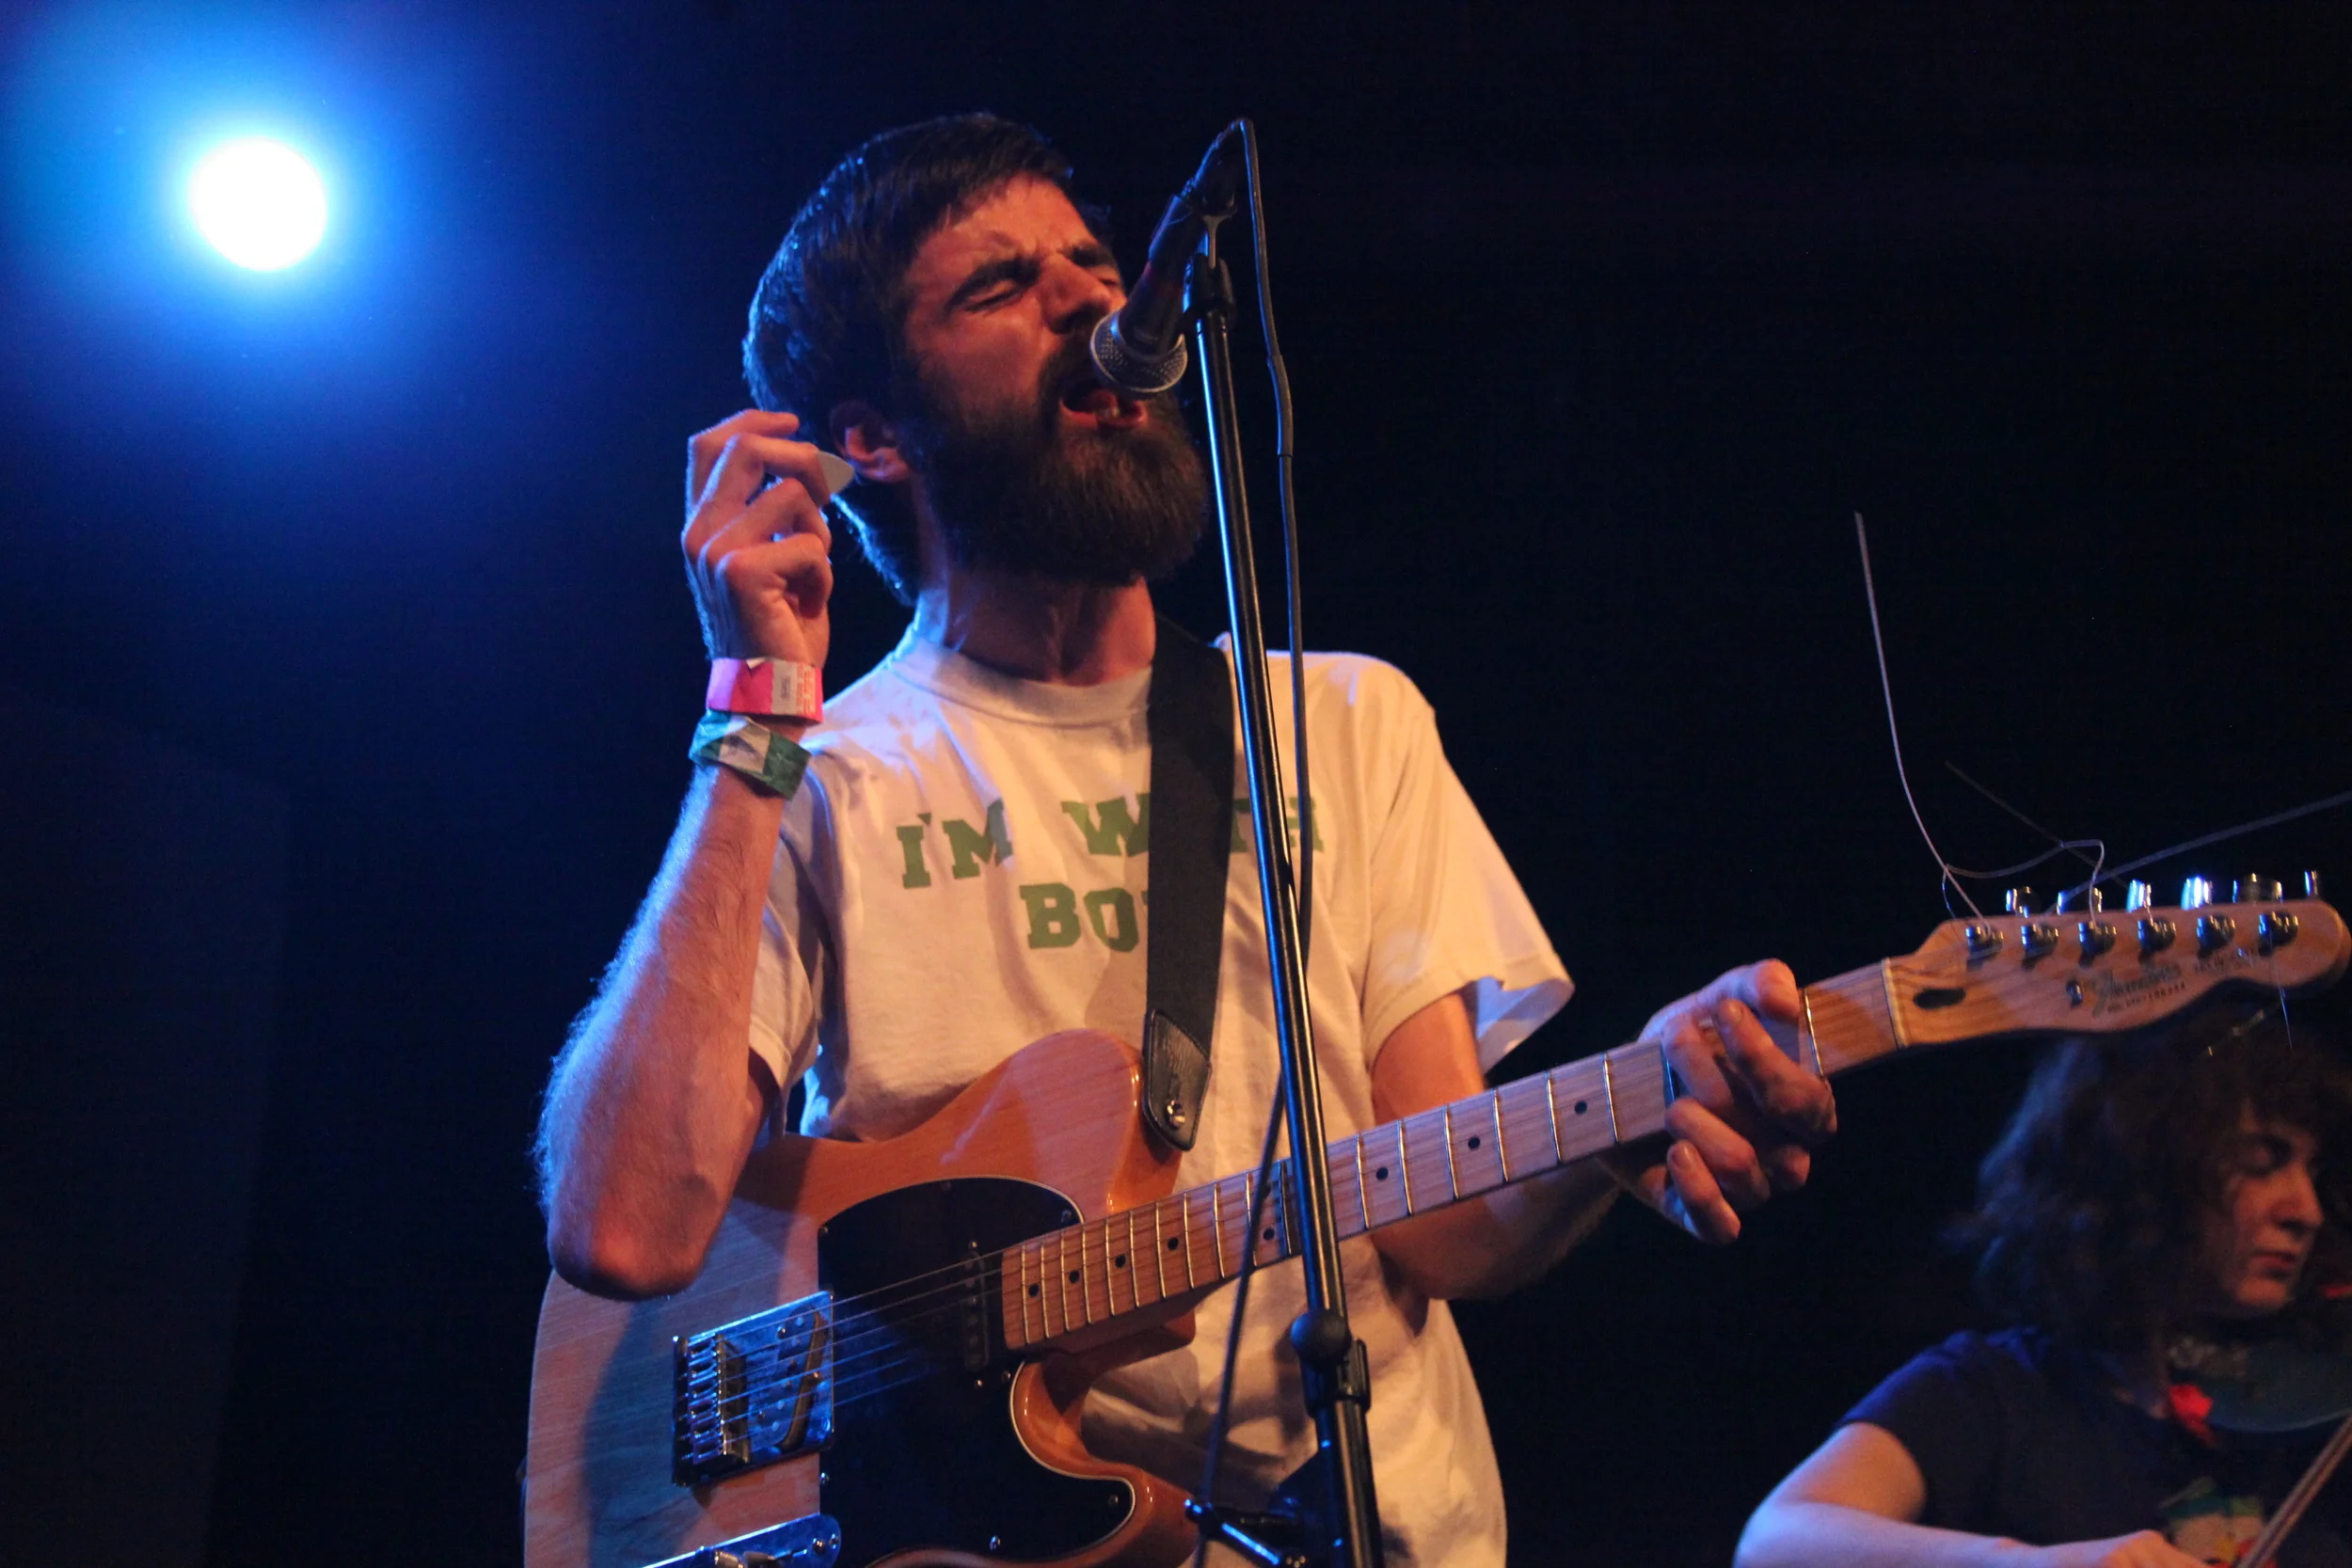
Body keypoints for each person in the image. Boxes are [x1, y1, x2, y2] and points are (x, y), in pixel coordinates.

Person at [534, 113, 1836, 1565]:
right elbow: (631, 1229)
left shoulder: (1344, 719)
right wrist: (752, 712)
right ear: (867, 438)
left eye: (1093, 262)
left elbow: (1441, 1222)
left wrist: (1628, 1109)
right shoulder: (820, 773)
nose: (1094, 299)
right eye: (1000, 286)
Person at [1737, 1009, 2352, 1568]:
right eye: (2264, 1161)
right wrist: (2033, 1564)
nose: (2306, 1209)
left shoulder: (2306, 1413)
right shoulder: (1995, 1390)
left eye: (2311, 1169)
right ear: (2146, 1159)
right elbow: (1776, 1542)